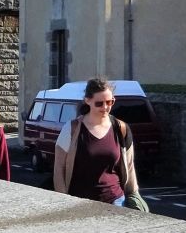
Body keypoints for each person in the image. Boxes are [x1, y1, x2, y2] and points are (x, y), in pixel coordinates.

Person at [53, 77, 140, 206]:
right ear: (87, 101)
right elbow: (59, 168)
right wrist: (63, 200)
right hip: (78, 202)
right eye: (99, 103)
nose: (105, 107)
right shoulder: (72, 129)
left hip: (116, 200)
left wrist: (135, 197)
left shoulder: (121, 128)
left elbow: (129, 167)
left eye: (110, 102)